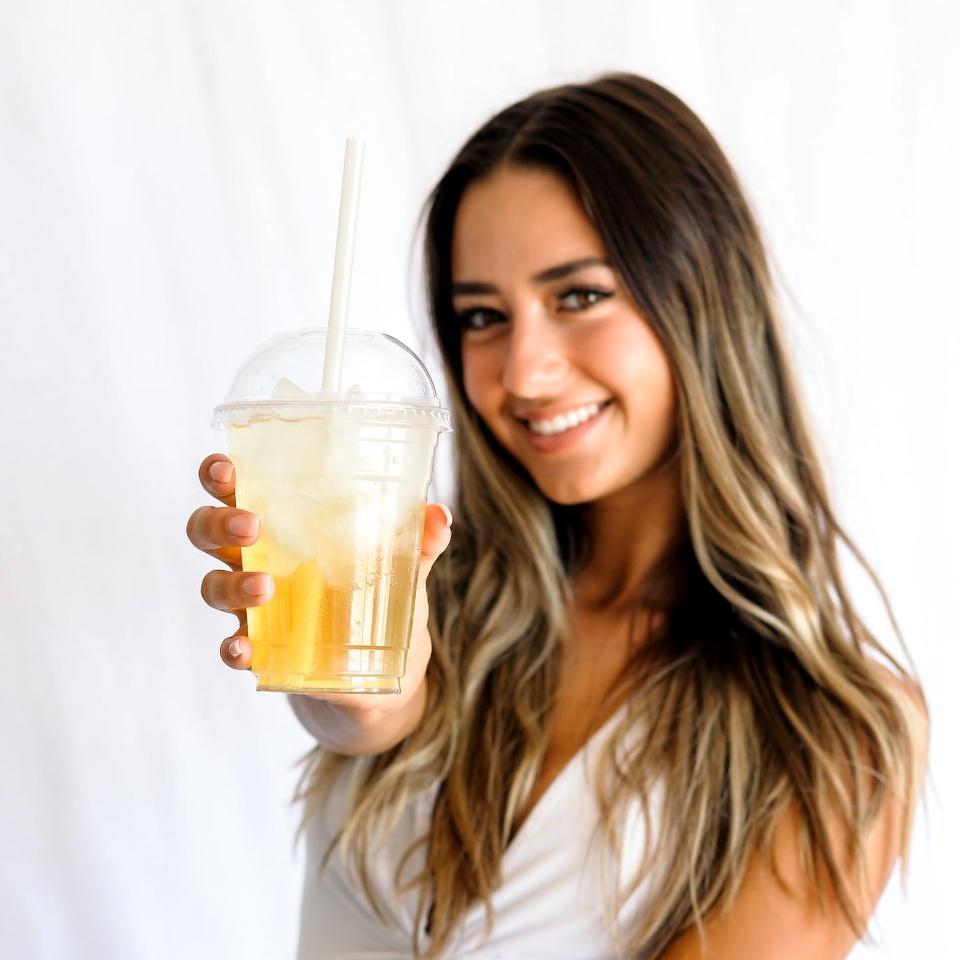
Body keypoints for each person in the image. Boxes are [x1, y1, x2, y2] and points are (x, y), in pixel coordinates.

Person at [187, 73, 927, 959]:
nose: (524, 371)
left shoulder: (825, 727)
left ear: (699, 297)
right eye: (482, 316)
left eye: (578, 295)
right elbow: (375, 711)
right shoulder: (425, 598)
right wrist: (349, 685)